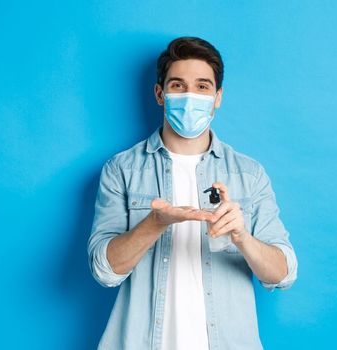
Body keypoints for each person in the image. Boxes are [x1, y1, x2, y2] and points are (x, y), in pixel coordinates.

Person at [87, 36, 298, 350]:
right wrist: (154, 224)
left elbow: (282, 274)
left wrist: (242, 236)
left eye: (202, 86)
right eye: (177, 85)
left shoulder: (249, 174)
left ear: (217, 97)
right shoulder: (122, 169)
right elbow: (104, 270)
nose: (190, 96)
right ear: (160, 94)